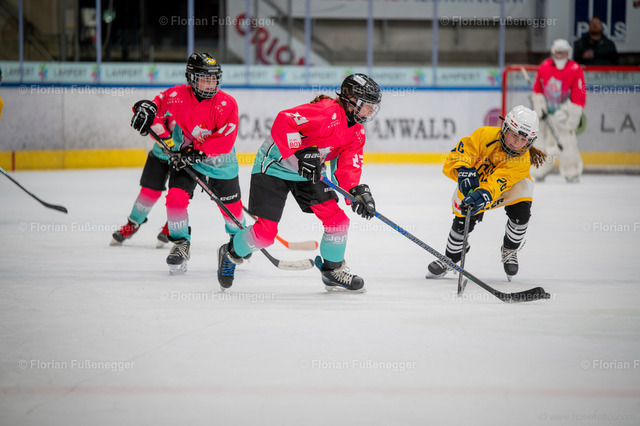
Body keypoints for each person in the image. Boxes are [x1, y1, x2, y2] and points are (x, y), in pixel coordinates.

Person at [216, 74, 382, 292]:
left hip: (307, 173)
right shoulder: (327, 112)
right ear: (350, 99)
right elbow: (284, 120)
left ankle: (332, 271)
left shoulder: (357, 133)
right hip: (274, 167)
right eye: (367, 105)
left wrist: (355, 192)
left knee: (338, 221)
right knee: (265, 234)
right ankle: (230, 252)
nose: (370, 110)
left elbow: (347, 167)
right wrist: (301, 150)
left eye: (372, 106)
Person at [127, 52, 246, 274]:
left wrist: (198, 151)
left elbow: (225, 141)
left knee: (232, 211)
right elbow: (155, 105)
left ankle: (238, 239)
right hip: (187, 159)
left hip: (221, 163)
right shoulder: (177, 95)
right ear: (191, 78)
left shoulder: (226, 103)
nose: (211, 84)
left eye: (213, 79)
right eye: (205, 79)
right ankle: (181, 242)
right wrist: (144, 110)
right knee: (175, 199)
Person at [426, 105, 546, 282]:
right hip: (474, 183)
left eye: (523, 140)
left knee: (523, 205)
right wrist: (462, 170)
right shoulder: (484, 135)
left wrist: (483, 196)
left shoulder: (522, 160)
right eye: (514, 135)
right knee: (462, 217)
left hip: (505, 189)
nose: (516, 143)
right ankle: (450, 258)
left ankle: (510, 249)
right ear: (504, 128)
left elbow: (498, 182)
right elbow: (461, 153)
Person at [530, 39, 586, 183]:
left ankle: (572, 172)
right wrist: (539, 105)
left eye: (563, 52)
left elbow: (579, 93)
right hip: (546, 114)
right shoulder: (545, 66)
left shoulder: (575, 69)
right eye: (557, 52)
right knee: (541, 142)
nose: (560, 55)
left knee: (567, 142)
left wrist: (571, 112)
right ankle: (539, 170)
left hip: (563, 113)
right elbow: (537, 89)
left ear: (569, 53)